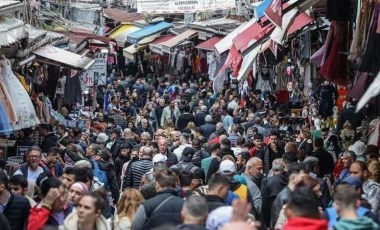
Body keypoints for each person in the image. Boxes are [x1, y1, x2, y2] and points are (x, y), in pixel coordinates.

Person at [270, 162, 307, 228]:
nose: (306, 180)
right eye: (302, 177)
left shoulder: (291, 194)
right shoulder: (285, 197)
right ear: (293, 178)